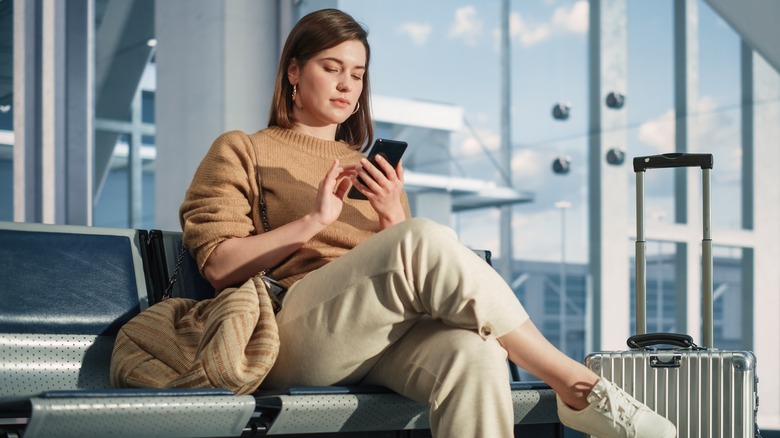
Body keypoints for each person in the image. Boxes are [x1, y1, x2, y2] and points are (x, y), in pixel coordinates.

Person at [179, 8, 676, 438]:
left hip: (378, 335)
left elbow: (403, 268)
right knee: (424, 239)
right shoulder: (242, 148)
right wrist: (314, 220)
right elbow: (220, 265)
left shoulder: (367, 166)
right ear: (293, 71)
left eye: (357, 73)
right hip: (291, 332)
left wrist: (392, 214)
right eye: (331, 68)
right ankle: (575, 383)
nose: (346, 83)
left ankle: (573, 387)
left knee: (474, 354)